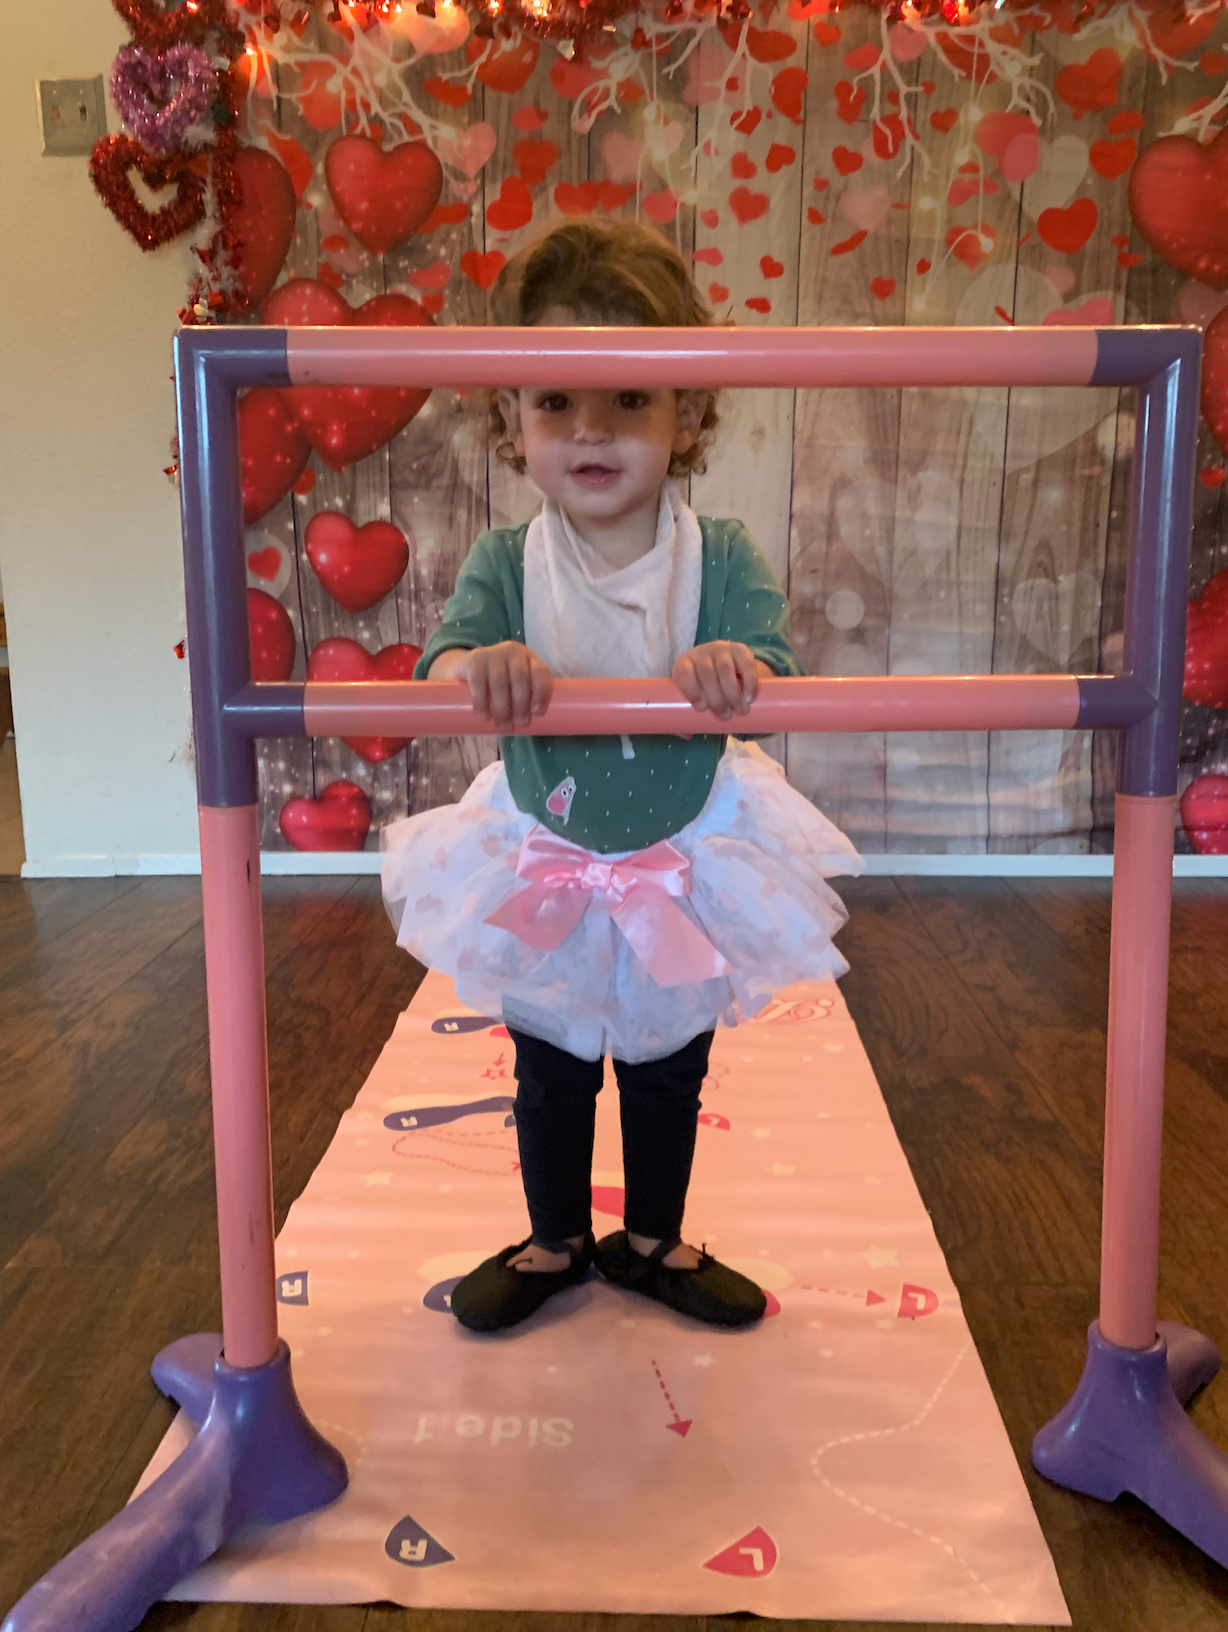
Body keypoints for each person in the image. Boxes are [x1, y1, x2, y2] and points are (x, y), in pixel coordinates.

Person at [382, 217, 861, 1335]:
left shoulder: (721, 556)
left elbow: (775, 672)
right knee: (549, 1063)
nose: (590, 429)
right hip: (545, 846)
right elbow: (440, 659)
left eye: (629, 400)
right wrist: (478, 663)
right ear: (510, 415)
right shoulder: (509, 563)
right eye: (554, 401)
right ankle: (555, 1240)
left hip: (682, 853)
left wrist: (733, 667)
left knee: (665, 1064)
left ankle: (651, 1239)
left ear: (687, 410)